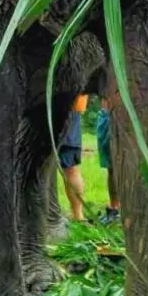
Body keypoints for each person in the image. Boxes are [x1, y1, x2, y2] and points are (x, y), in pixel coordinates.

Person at [57, 93, 89, 222]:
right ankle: (77, 215)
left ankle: (78, 215)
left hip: (67, 106)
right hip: (70, 107)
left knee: (70, 167)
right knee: (70, 167)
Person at [95, 99, 121, 225]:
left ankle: (125, 209)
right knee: (111, 168)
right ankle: (115, 208)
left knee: (126, 166)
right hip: (107, 114)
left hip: (124, 114)